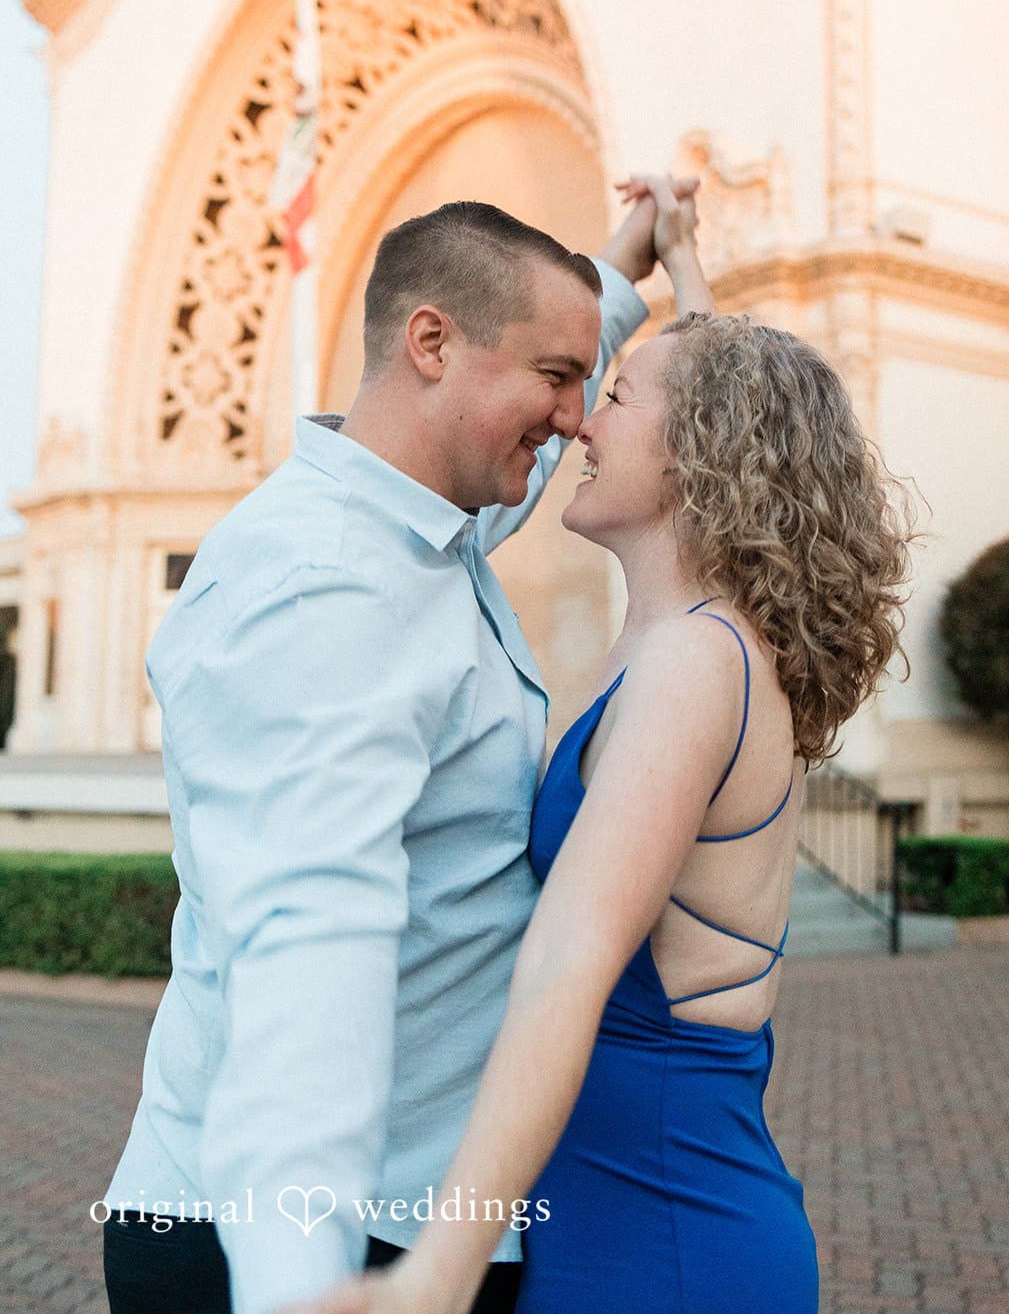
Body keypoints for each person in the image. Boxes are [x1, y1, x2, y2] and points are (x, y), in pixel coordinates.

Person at [296, 178, 915, 1314]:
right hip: (624, 1225)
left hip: (662, 1242)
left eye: (613, 395)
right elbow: (734, 385)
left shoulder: (693, 662)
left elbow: (570, 959)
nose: (580, 418)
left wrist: (433, 1274)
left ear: (696, 451)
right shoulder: (692, 637)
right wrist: (666, 260)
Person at [101, 184, 697, 1314]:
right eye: (558, 376)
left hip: (415, 1218)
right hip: (291, 1245)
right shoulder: (322, 584)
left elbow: (496, 479)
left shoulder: (420, 522)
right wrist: (298, 1286)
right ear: (431, 341)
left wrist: (618, 269)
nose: (578, 419)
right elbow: (306, 943)